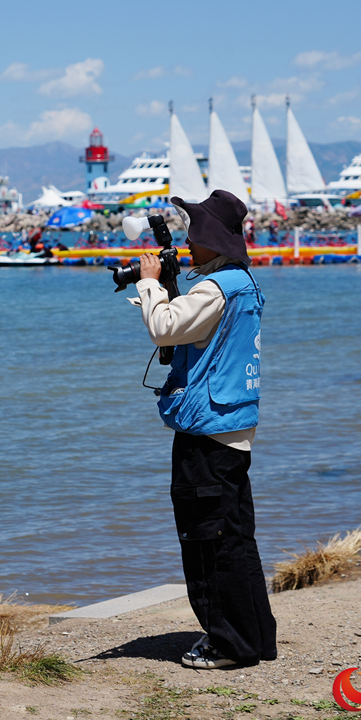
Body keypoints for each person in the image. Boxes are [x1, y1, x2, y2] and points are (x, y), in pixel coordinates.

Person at [133, 189, 277, 670]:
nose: (191, 243)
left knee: (208, 542)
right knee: (236, 539)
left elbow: (165, 330)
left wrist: (151, 284)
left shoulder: (216, 288)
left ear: (211, 238)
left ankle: (228, 646)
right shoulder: (242, 283)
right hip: (233, 428)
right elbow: (188, 330)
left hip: (206, 432)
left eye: (196, 234)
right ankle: (256, 639)